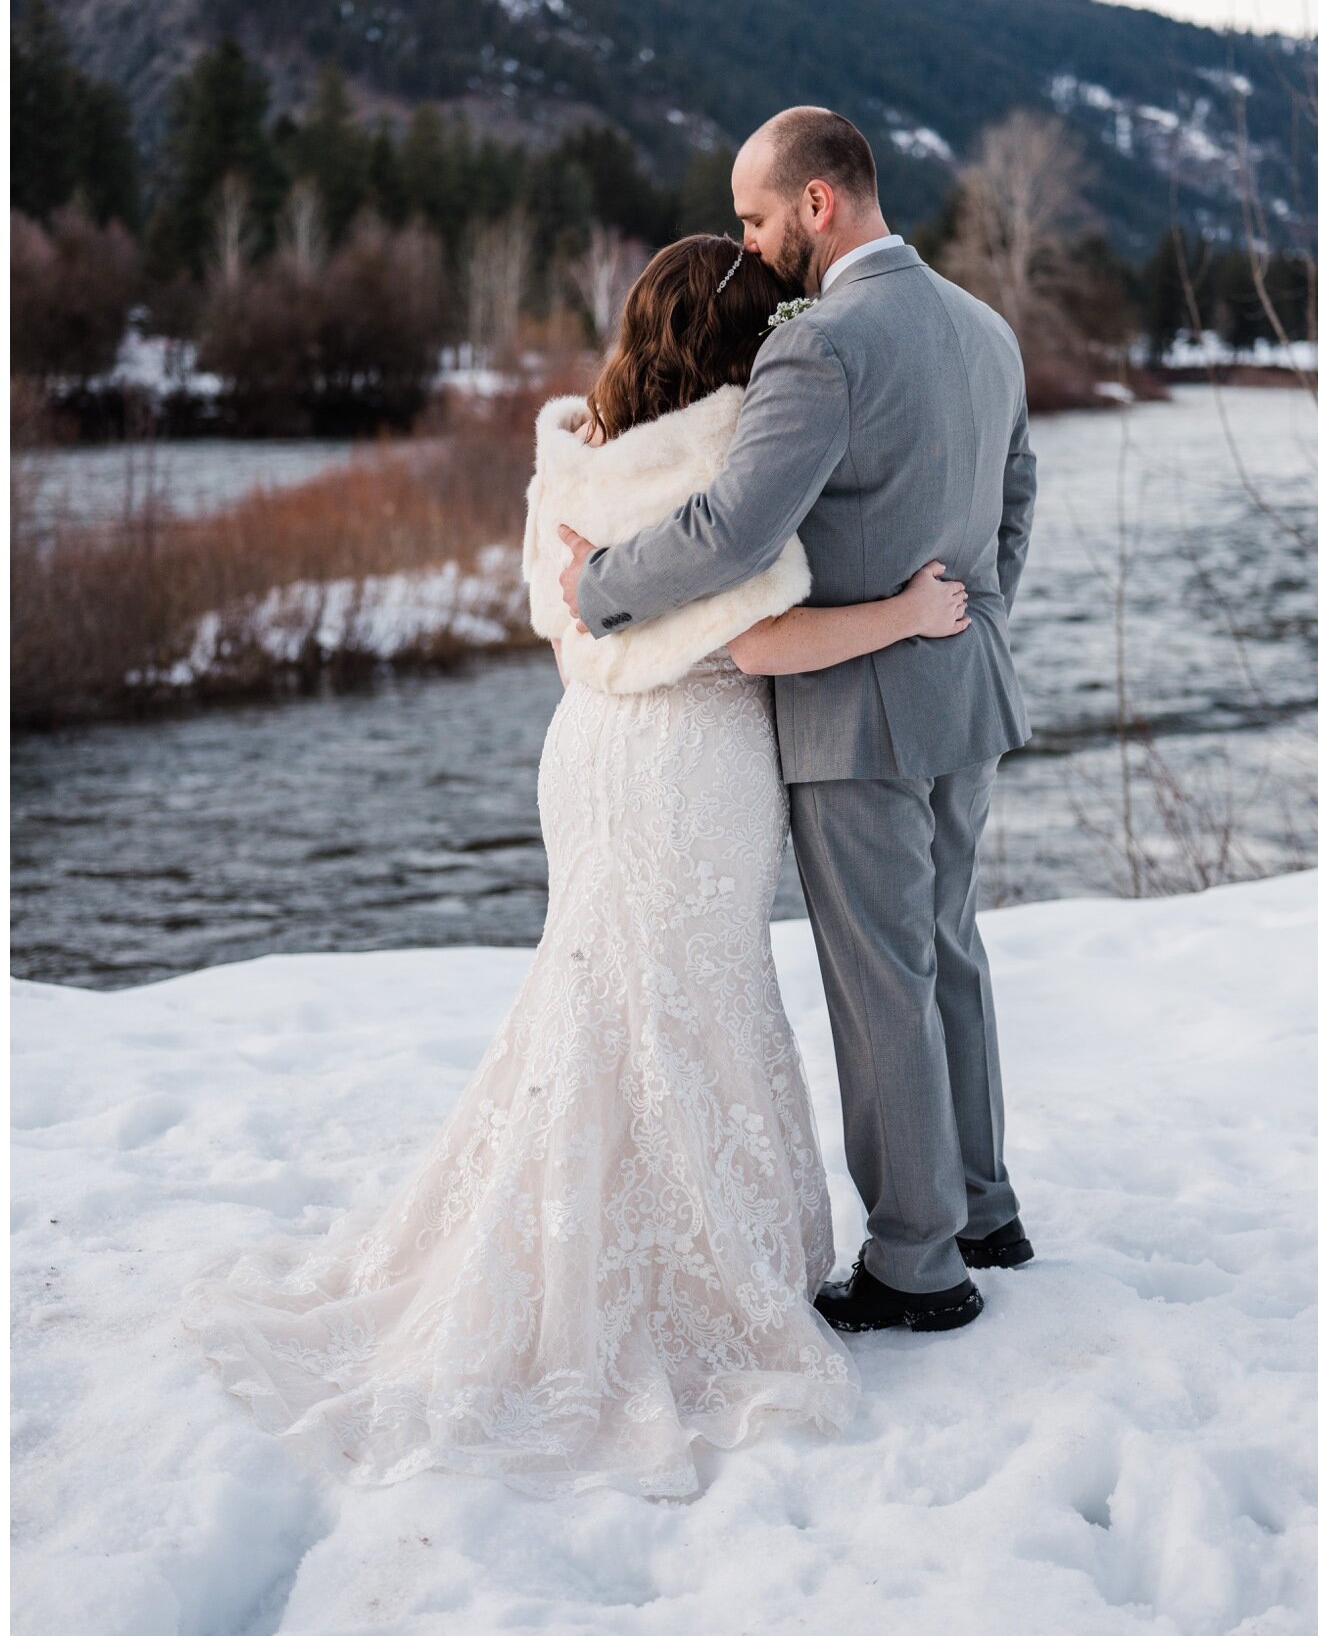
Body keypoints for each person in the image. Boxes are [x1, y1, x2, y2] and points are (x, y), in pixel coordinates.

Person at [179, 233, 974, 1499]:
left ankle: (554, 1243)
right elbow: (757, 642)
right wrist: (906, 614)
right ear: (743, 350)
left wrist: (628, 644)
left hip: (593, 748)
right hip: (697, 763)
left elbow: (566, 629)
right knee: (688, 997)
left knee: (596, 989)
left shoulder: (576, 456)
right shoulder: (722, 464)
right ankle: (687, 1275)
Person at [560, 107, 1038, 1337]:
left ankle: (918, 1259)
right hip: (963, 684)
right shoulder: (986, 329)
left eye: (760, 217)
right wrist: (974, 620)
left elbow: (733, 532)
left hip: (854, 711)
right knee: (949, 950)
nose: (751, 241)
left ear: (819, 204)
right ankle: (985, 1204)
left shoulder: (821, 345)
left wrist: (601, 582)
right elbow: (1015, 501)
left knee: (883, 979)